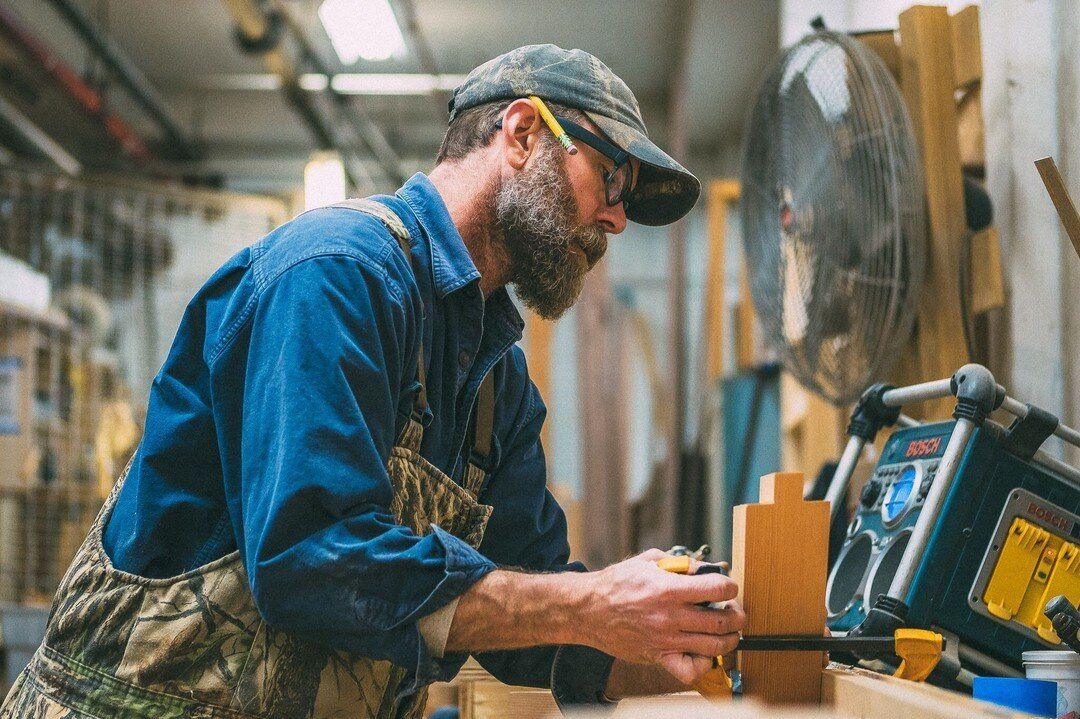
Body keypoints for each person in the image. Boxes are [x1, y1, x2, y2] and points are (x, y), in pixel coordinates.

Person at [1, 45, 745, 718]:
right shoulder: (336, 274)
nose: (616, 219)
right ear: (521, 132)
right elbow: (309, 560)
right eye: (611, 177)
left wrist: (689, 641)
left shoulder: (496, 381)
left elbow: (532, 604)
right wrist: (589, 603)